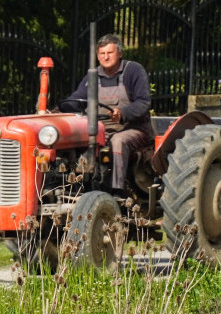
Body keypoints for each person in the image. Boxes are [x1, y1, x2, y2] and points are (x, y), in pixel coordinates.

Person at [59, 34, 153, 196]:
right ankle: (77, 186)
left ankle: (117, 191)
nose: (106, 57)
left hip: (132, 128)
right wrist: (61, 109)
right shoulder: (92, 76)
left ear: (120, 53)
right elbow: (77, 99)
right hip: (99, 129)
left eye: (110, 53)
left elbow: (143, 103)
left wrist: (123, 113)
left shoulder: (133, 71)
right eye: (102, 54)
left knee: (118, 141)